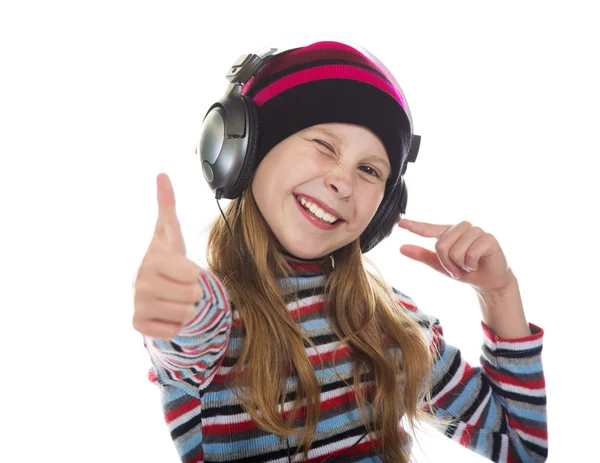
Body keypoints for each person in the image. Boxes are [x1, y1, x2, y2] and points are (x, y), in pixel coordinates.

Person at [133, 39, 548, 463]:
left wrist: (499, 293)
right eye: (323, 145)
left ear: (385, 208)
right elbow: (187, 328)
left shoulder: (392, 326)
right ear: (243, 151)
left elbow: (522, 448)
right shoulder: (217, 324)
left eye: (369, 170)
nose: (343, 183)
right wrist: (177, 297)